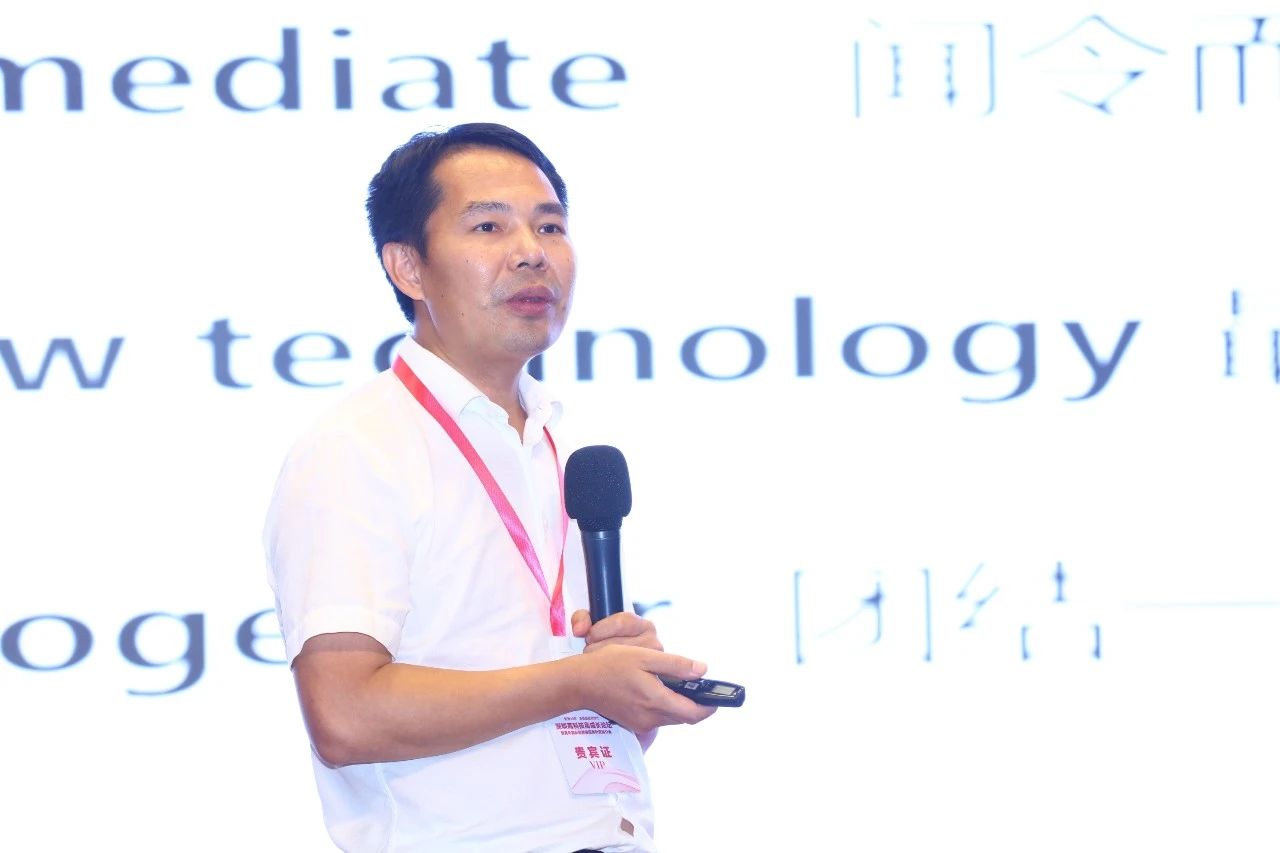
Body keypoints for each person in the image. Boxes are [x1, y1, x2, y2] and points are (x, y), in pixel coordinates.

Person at [263, 122, 715, 852]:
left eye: (550, 226)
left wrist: (622, 686)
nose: (532, 252)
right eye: (489, 226)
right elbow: (344, 716)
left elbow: (545, 725)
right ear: (408, 267)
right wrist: (577, 682)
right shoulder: (358, 447)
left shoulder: (554, 443)